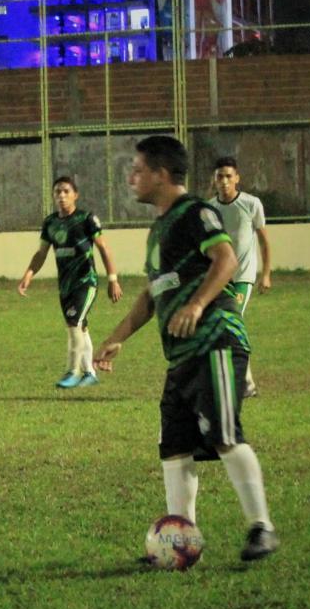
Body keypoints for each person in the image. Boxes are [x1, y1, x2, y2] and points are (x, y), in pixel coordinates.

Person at [94, 136, 278, 561]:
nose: (131, 178)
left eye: (138, 170)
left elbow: (227, 260)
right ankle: (181, 538)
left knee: (223, 434)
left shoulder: (196, 213)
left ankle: (262, 527)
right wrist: (116, 337)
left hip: (215, 341)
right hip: (181, 355)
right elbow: (152, 293)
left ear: (160, 175)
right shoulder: (159, 228)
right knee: (174, 446)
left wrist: (196, 304)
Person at [18, 176, 123, 388]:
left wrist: (113, 279)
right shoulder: (50, 223)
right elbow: (41, 253)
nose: (62, 195)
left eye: (66, 191)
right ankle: (90, 373)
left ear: (76, 195)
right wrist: (29, 274)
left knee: (73, 324)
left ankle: (72, 371)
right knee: (80, 326)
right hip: (65, 285)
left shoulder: (86, 219)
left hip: (86, 282)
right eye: (57, 192)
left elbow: (103, 248)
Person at [211, 157, 270, 397]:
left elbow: (264, 241)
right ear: (214, 180)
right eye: (220, 176)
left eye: (228, 176)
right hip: (219, 277)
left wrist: (266, 273)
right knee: (223, 326)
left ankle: (242, 383)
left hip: (243, 276)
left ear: (237, 178)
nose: (224, 181)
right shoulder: (209, 209)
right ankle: (245, 382)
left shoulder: (251, 204)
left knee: (231, 323)